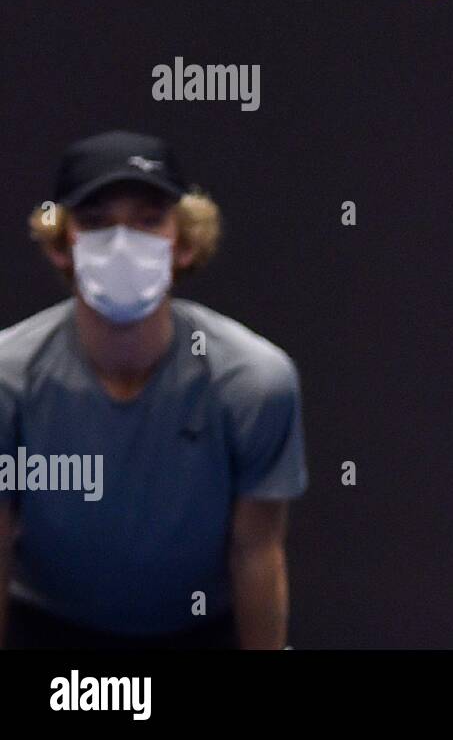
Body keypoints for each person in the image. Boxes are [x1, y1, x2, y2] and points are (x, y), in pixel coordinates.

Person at [0, 130, 308, 648]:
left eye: (148, 220)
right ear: (60, 244)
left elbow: (256, 551)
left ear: (184, 241)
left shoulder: (254, 383)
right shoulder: (8, 380)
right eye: (95, 222)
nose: (122, 243)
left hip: (199, 632)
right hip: (47, 630)